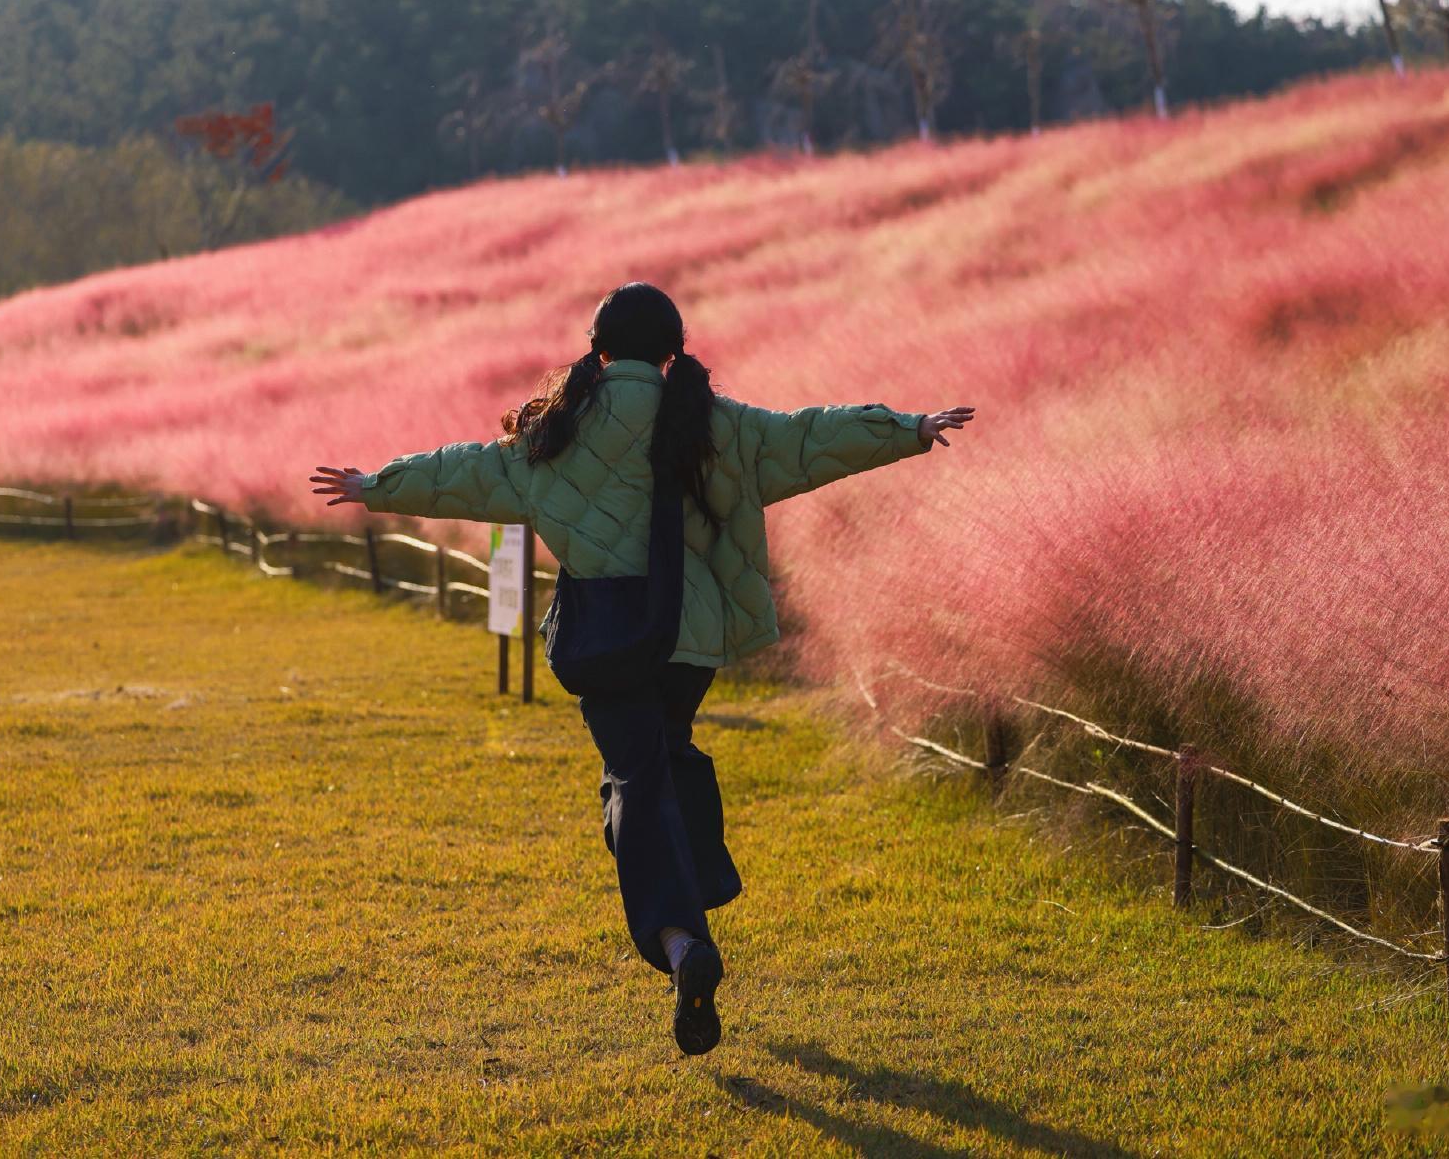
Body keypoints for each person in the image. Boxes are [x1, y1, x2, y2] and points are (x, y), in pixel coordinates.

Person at [309, 282, 973, 1055]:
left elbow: (471, 470)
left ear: (598, 351)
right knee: (656, 758)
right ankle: (697, 889)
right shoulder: (710, 422)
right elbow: (805, 438)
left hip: (607, 635)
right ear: (672, 351)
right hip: (686, 637)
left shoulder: (557, 430)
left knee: (632, 779)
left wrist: (376, 485)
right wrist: (909, 428)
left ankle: (682, 941)